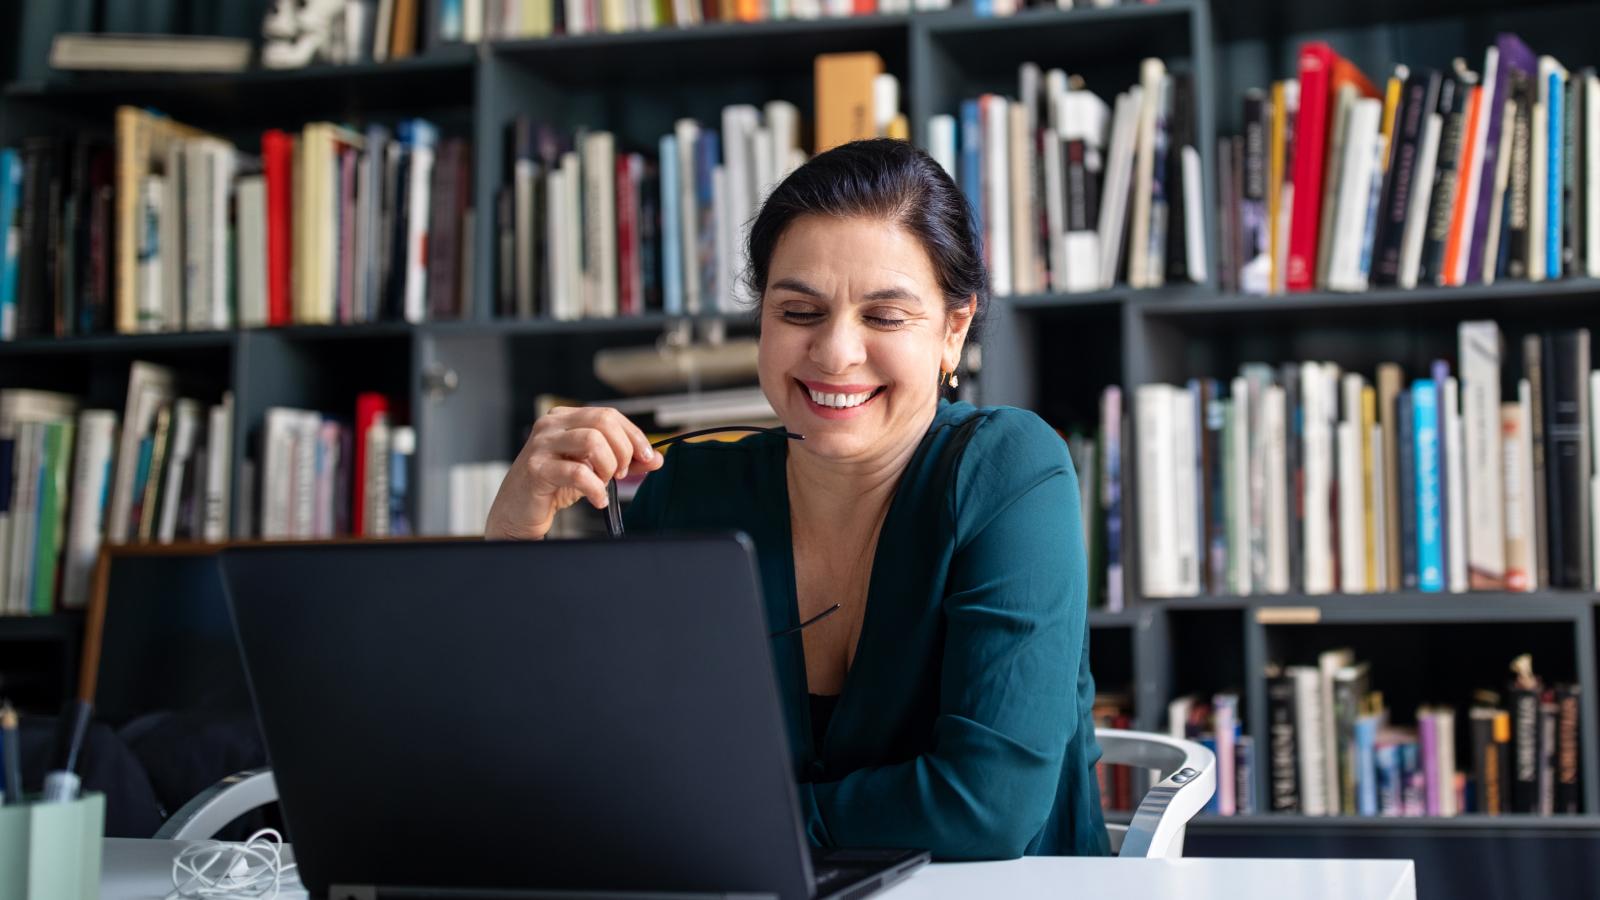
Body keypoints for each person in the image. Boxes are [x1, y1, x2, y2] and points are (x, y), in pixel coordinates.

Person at [486, 138, 1108, 859]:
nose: (835, 352)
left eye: (884, 317)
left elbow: (984, 807)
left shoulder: (1011, 470)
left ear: (953, 330)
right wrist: (513, 534)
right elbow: (561, 761)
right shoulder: (685, 492)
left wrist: (726, 827)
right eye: (799, 312)